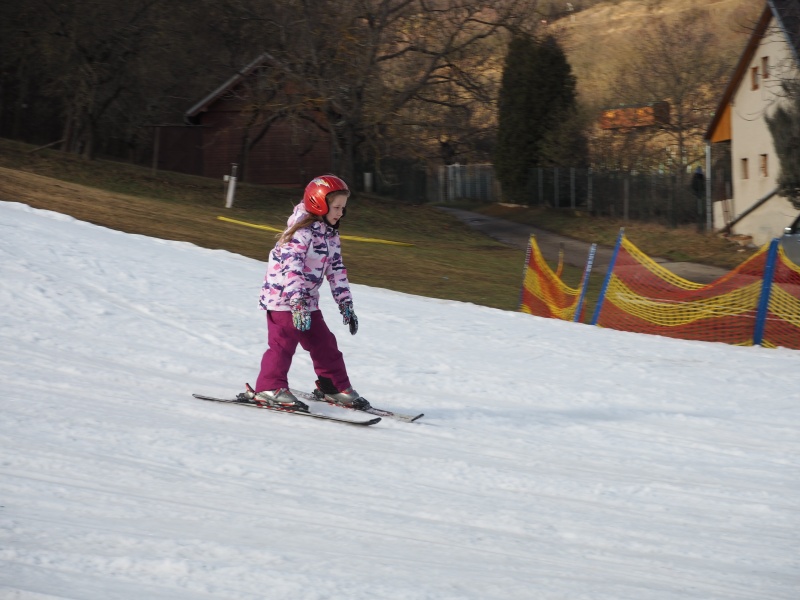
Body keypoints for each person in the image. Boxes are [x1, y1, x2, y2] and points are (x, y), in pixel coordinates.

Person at [244, 174, 369, 412]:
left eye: (343, 208)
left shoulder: (330, 235)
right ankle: (269, 387)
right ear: (319, 204)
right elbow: (291, 269)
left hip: (307, 301)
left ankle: (333, 386)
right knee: (283, 343)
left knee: (324, 343)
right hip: (283, 299)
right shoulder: (300, 233)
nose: (341, 213)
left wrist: (345, 304)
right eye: (337, 207)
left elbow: (336, 270)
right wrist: (297, 303)